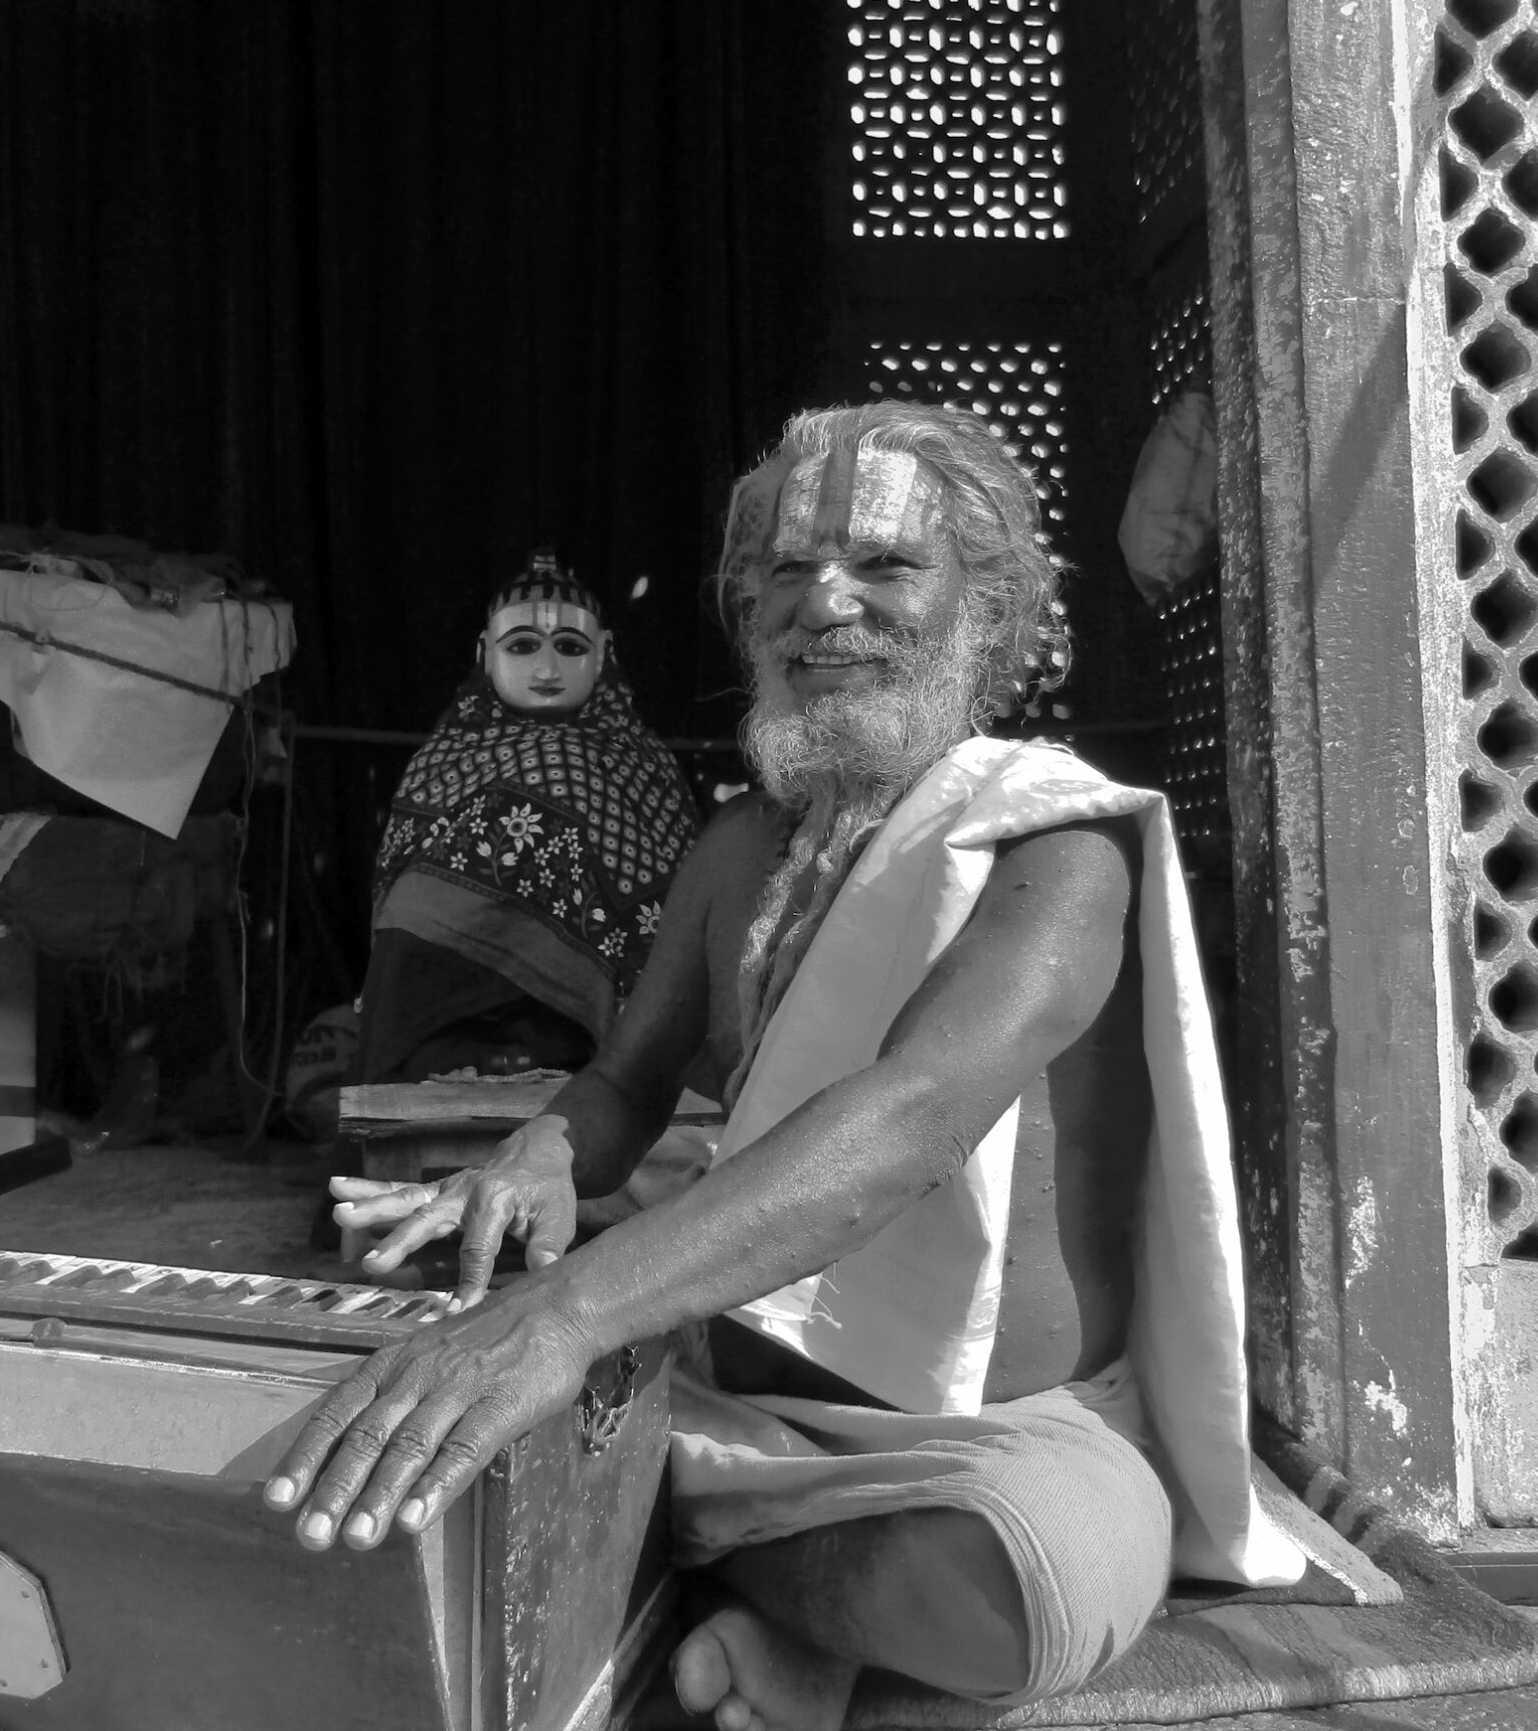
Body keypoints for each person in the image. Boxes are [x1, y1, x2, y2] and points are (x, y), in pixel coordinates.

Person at [268, 405, 1300, 1730]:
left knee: (1026, 1591)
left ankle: (701, 1577)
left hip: (994, 1447)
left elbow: (910, 1120)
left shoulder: (1056, 842)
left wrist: (563, 1318)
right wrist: (531, 1162)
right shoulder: (734, 851)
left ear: (987, 609)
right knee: (409, 1448)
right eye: (786, 571)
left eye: (886, 564)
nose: (826, 602)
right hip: (729, 1404)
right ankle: (750, 1595)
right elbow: (624, 1084)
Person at [354, 551, 698, 1086]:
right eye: (521, 646)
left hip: (586, 1023)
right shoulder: (446, 756)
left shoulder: (639, 761)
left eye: (570, 647)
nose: (546, 670)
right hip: (449, 1002)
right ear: (484, 653)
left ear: (604, 654)